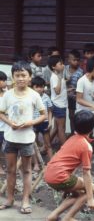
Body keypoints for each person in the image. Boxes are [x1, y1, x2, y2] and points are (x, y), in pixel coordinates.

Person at [0, 61, 46, 213]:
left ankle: (25, 200)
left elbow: (44, 115)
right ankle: (10, 198)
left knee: (26, 170)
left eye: (23, 75)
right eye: (17, 75)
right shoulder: (7, 94)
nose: (20, 78)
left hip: (27, 139)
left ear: (30, 77)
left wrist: (31, 122)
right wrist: (9, 123)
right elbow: (1, 112)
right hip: (10, 138)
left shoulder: (34, 95)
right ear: (13, 77)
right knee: (10, 170)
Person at [44, 110, 94, 221]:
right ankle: (68, 217)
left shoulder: (71, 139)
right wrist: (91, 198)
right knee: (91, 188)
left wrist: (69, 187)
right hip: (60, 176)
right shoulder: (86, 146)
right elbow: (86, 173)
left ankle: (53, 216)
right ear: (92, 128)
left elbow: (65, 162)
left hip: (49, 174)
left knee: (78, 193)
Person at [31, 76, 53, 163]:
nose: (40, 89)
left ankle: (51, 163)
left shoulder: (46, 97)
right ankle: (36, 164)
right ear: (33, 87)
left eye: (42, 87)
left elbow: (50, 110)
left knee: (48, 144)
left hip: (44, 122)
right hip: (34, 122)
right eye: (37, 87)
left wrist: (50, 122)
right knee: (34, 144)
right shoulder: (30, 97)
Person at [48, 55, 67, 145]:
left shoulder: (58, 76)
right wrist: (60, 77)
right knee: (61, 128)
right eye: (60, 64)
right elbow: (57, 91)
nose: (63, 65)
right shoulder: (55, 77)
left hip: (59, 104)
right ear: (53, 66)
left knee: (56, 128)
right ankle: (65, 150)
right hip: (58, 105)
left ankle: (45, 146)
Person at [64, 49, 83, 134]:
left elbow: (81, 86)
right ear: (69, 60)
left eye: (78, 60)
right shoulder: (64, 69)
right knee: (68, 116)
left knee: (75, 116)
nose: (76, 62)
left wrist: (75, 89)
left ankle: (76, 133)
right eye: (74, 60)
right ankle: (71, 133)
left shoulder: (80, 72)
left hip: (75, 97)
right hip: (63, 97)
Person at [0, 71, 8, 175]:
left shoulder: (7, 94)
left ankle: (8, 166)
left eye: (5, 80)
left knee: (7, 148)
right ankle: (0, 167)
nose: (4, 82)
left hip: (6, 127)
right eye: (2, 80)